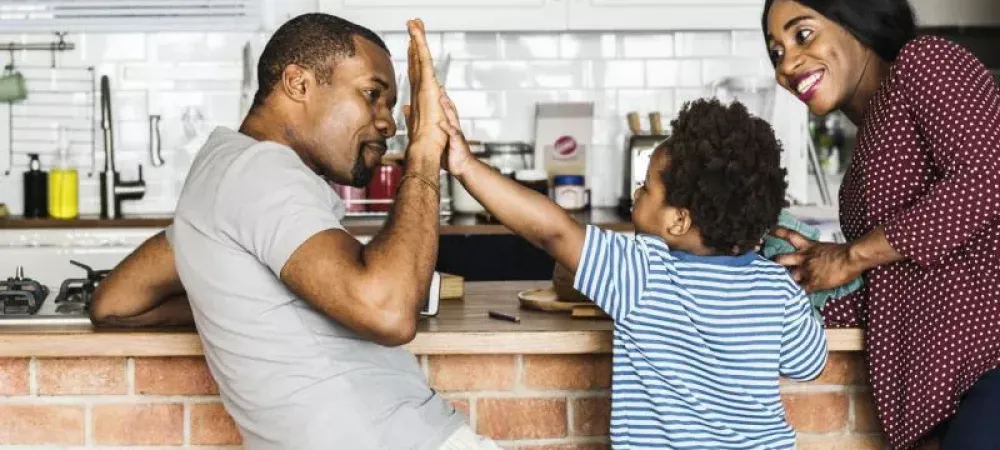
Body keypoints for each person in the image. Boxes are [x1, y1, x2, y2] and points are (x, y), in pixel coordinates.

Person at [90, 13, 503, 450]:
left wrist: (245, 310)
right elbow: (388, 312)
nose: (389, 124)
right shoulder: (262, 170)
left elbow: (116, 302)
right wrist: (423, 152)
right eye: (371, 95)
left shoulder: (225, 170)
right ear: (299, 84)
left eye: (389, 106)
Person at [438, 96, 828, 449]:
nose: (637, 193)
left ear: (678, 220)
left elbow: (553, 231)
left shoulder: (642, 270)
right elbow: (808, 364)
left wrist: (467, 167)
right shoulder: (777, 288)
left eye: (646, 189)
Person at [762, 1, 1000, 449]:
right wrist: (802, 276)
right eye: (776, 52)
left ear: (857, 20)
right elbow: (897, 285)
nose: (787, 64)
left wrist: (850, 257)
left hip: (989, 372)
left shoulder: (924, 61)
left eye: (803, 35)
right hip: (947, 401)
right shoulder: (869, 145)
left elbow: (988, 179)